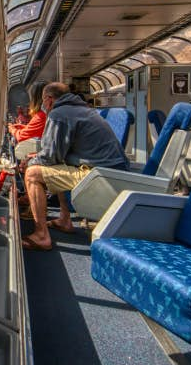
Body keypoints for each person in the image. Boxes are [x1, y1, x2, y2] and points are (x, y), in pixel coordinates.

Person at [21, 82, 129, 251]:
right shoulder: (82, 109)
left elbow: (50, 157)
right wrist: (38, 157)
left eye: (43, 101)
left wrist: (29, 162)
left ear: (49, 100)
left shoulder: (59, 113)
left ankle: (41, 235)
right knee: (58, 165)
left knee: (32, 174)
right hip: (112, 171)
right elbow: (57, 154)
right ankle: (65, 219)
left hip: (101, 176)